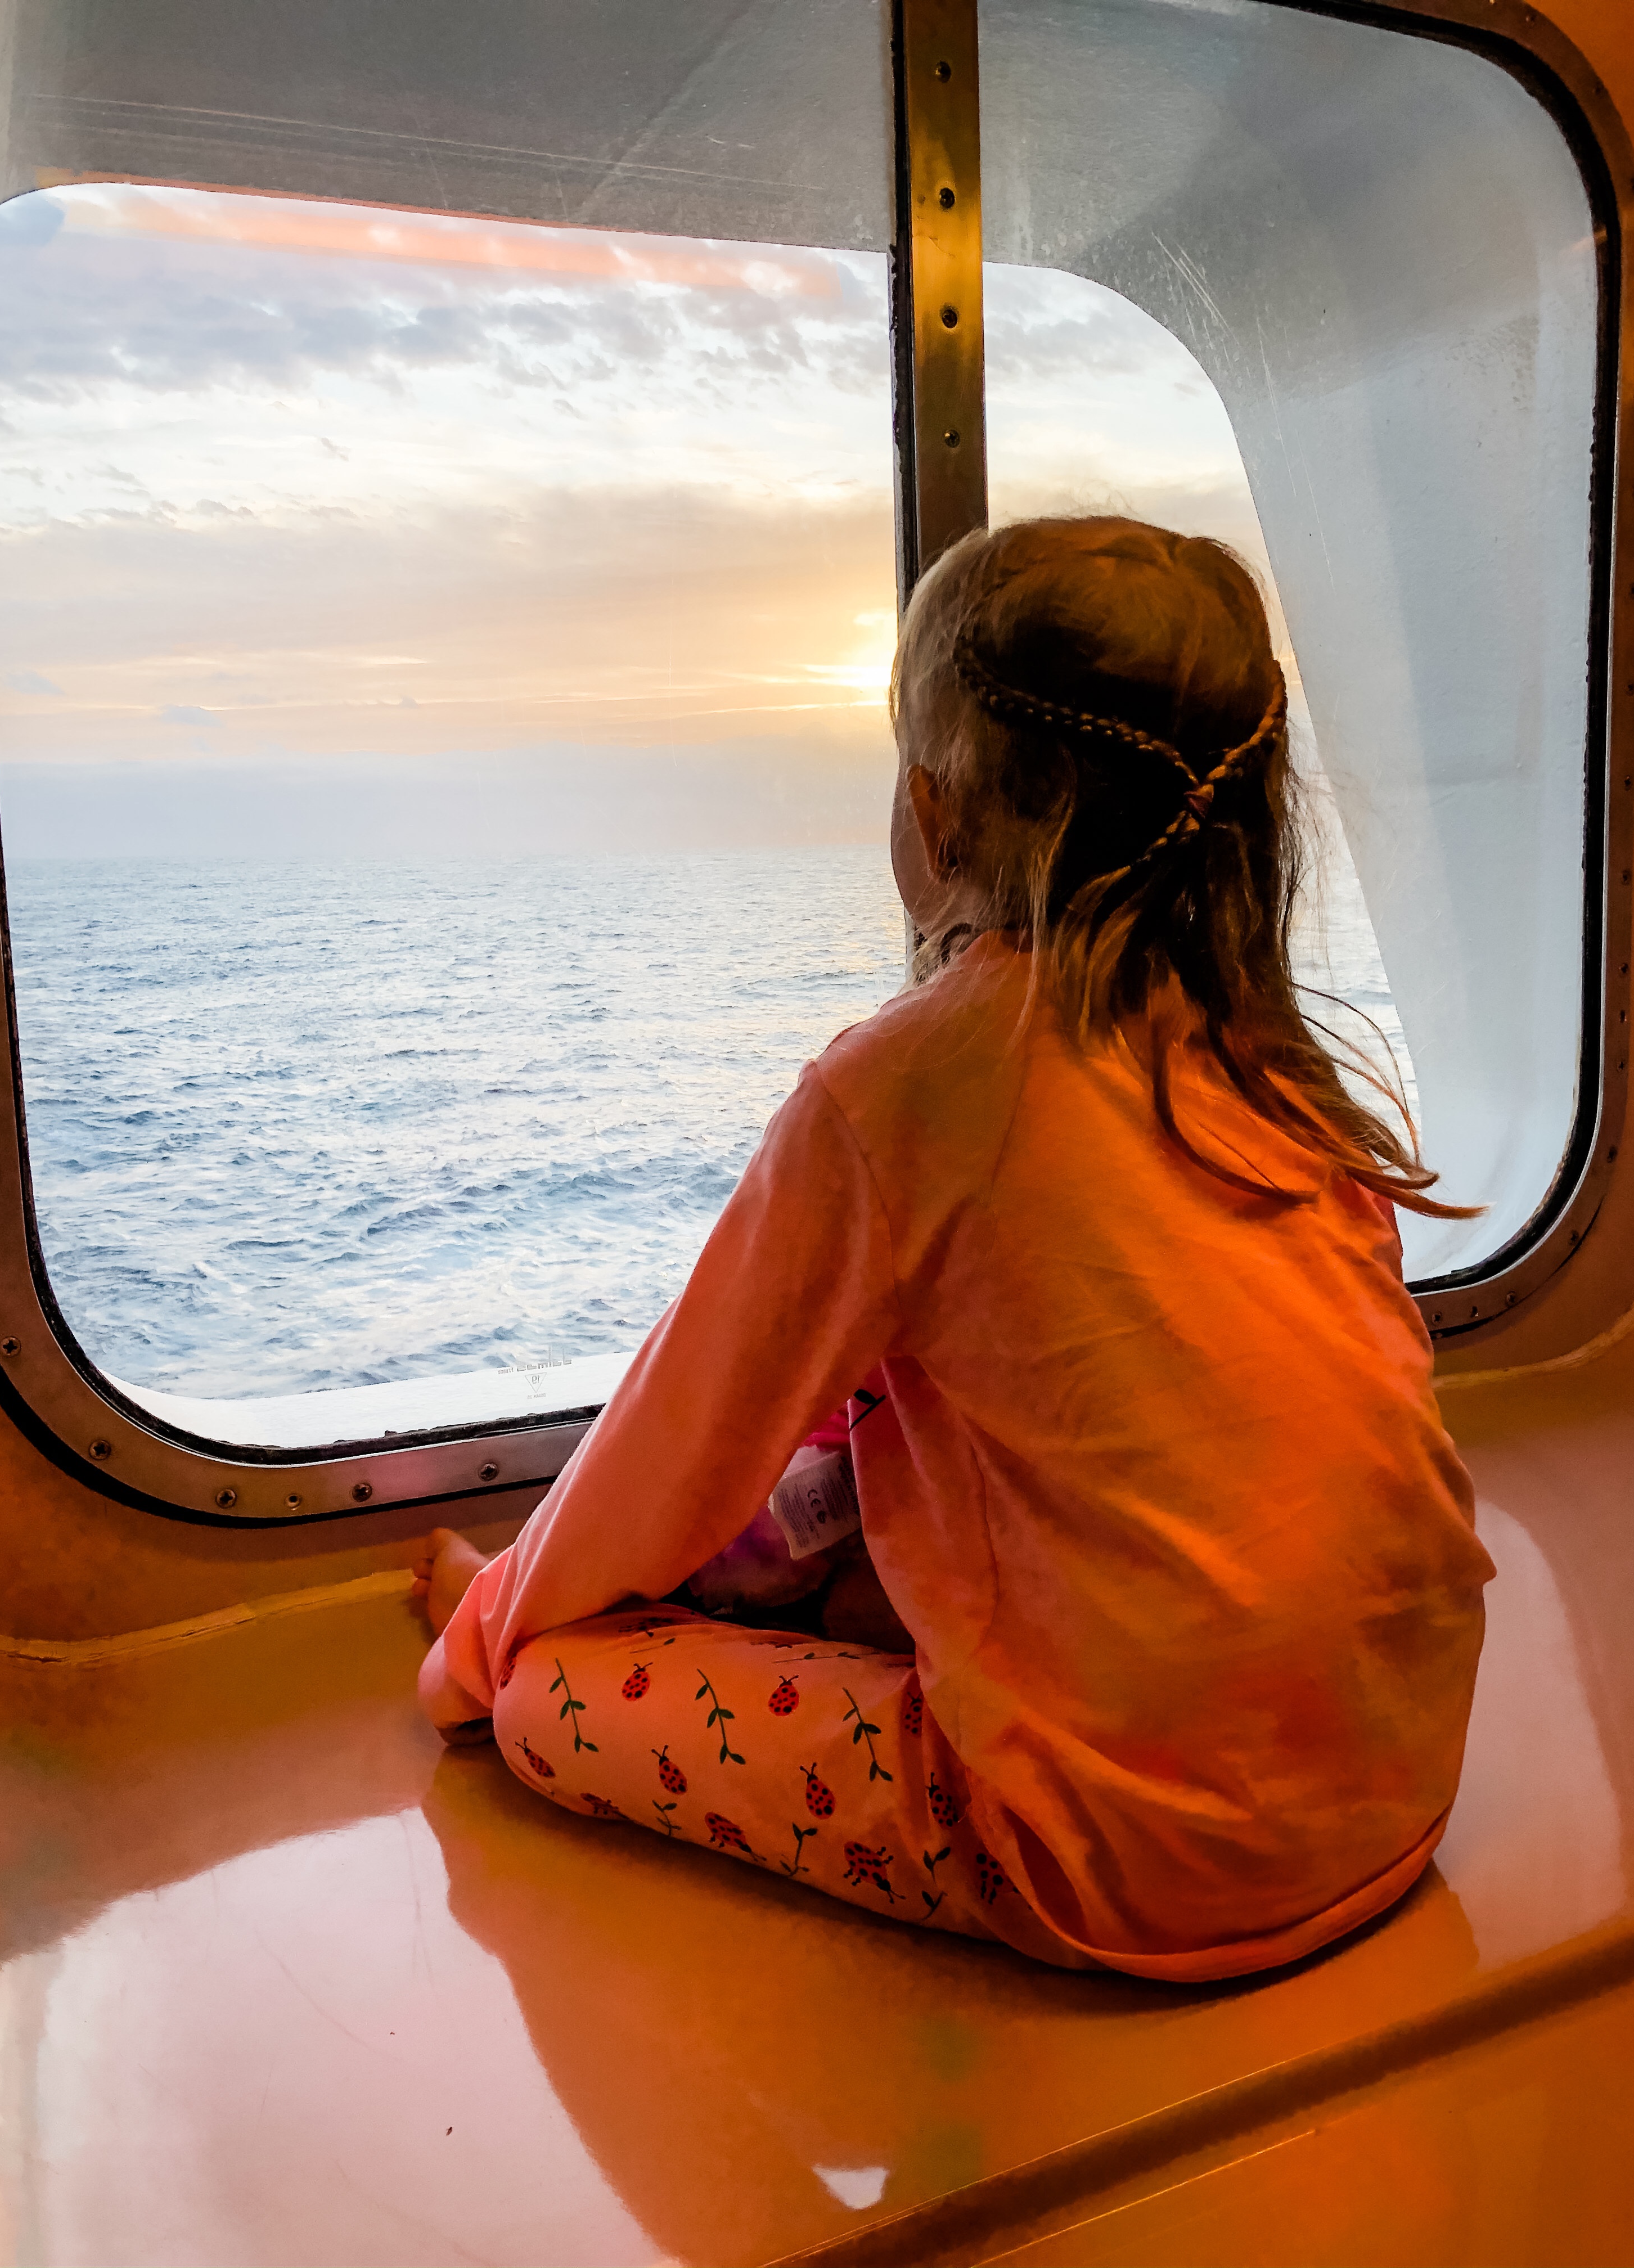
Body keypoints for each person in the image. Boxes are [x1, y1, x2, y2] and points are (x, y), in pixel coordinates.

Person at [413, 518, 1494, 1979]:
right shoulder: (1276, 1068)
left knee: (552, 1698)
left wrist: (480, 1646)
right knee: (882, 1472)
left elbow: (676, 1445)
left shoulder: (911, 1083)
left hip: (1120, 1866)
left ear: (934, 813)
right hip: (1391, 1791)